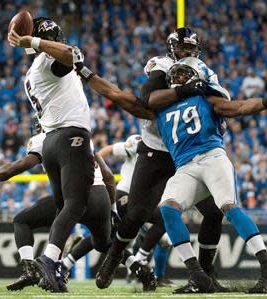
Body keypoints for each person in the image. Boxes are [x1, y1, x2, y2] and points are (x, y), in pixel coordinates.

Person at [147, 57, 267, 293]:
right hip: (184, 167)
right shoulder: (160, 105)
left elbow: (240, 107)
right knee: (168, 209)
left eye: (183, 73)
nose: (177, 78)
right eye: (175, 74)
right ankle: (197, 276)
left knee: (228, 207)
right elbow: (133, 101)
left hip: (212, 157)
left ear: (196, 77)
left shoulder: (205, 97)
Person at [96, 27, 228, 293]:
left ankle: (205, 276)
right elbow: (148, 99)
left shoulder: (203, 69)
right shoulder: (161, 65)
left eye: (191, 50)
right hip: (157, 149)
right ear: (171, 49)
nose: (187, 54)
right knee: (136, 214)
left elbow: (223, 98)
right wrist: (187, 90)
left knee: (214, 212)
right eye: (182, 49)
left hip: (189, 152)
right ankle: (112, 258)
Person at [0, 121, 156, 292]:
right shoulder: (82, 135)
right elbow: (109, 177)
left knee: (22, 220)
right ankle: (139, 268)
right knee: (103, 243)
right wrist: (112, 209)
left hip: (71, 198)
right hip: (100, 197)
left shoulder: (45, 139)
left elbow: (15, 168)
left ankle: (32, 269)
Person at [7, 17, 98, 292]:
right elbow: (70, 55)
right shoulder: (47, 60)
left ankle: (52, 265)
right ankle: (48, 259)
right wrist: (34, 41)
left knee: (64, 207)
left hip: (51, 143)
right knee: (76, 204)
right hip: (70, 136)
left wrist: (33, 43)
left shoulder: (32, 71)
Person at [98, 135, 173, 286]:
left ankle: (153, 272)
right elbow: (107, 150)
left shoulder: (171, 147)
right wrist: (97, 172)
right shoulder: (139, 142)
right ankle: (139, 260)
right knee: (109, 237)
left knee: (163, 236)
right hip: (125, 195)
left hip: (142, 199)